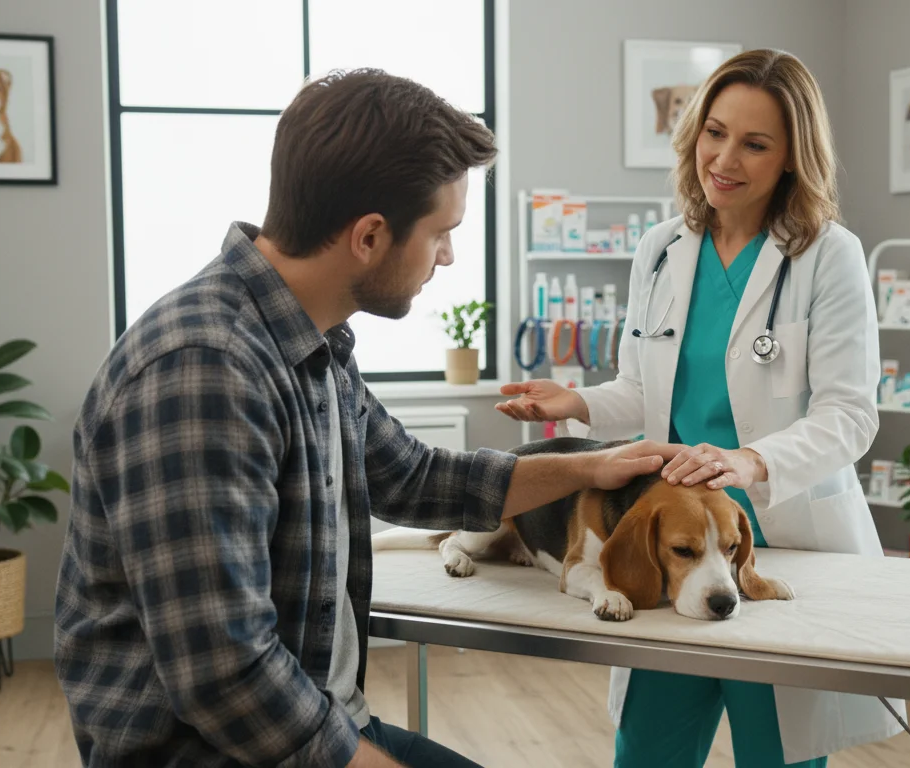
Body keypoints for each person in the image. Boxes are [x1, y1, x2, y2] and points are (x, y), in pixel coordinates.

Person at [53, 69, 682, 768]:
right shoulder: (204, 370)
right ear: (370, 236)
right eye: (442, 233)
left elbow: (413, 477)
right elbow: (226, 677)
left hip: (319, 724)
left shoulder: (309, 340)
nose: (448, 256)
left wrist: (593, 466)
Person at [496, 49, 905, 767]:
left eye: (755, 143)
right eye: (714, 132)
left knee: (777, 752)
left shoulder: (829, 255)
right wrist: (578, 400)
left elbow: (849, 415)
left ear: (791, 158)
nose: (725, 158)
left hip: (778, 540)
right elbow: (643, 393)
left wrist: (750, 462)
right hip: (668, 535)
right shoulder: (660, 249)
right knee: (648, 752)